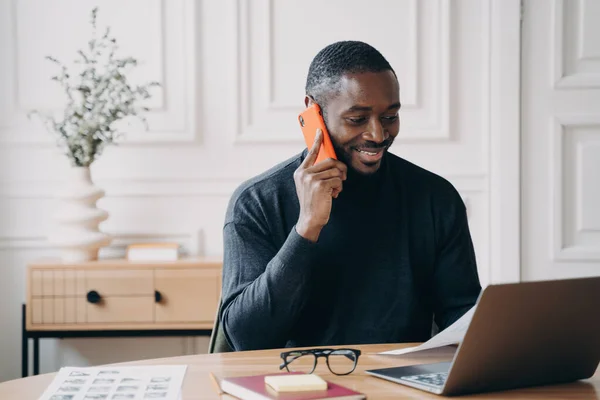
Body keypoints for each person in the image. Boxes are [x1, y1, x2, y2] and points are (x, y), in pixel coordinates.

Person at [220, 40, 481, 351]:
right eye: (357, 119)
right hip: (298, 388)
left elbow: (462, 319)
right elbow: (246, 338)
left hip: (403, 388)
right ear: (313, 111)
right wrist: (306, 229)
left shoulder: (436, 198)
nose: (378, 135)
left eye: (390, 117)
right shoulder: (257, 203)